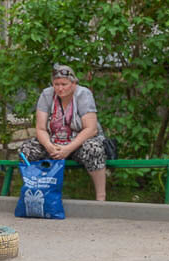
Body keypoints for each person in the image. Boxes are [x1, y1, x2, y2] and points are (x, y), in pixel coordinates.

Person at [20, 64, 108, 201]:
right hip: (54, 143)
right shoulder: (46, 94)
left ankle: (101, 198)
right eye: (56, 84)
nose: (60, 88)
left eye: (64, 84)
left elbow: (91, 129)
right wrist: (49, 145)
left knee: (93, 149)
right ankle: (34, 192)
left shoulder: (83, 94)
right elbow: (40, 128)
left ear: (73, 83)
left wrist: (68, 148)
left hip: (78, 143)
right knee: (26, 149)